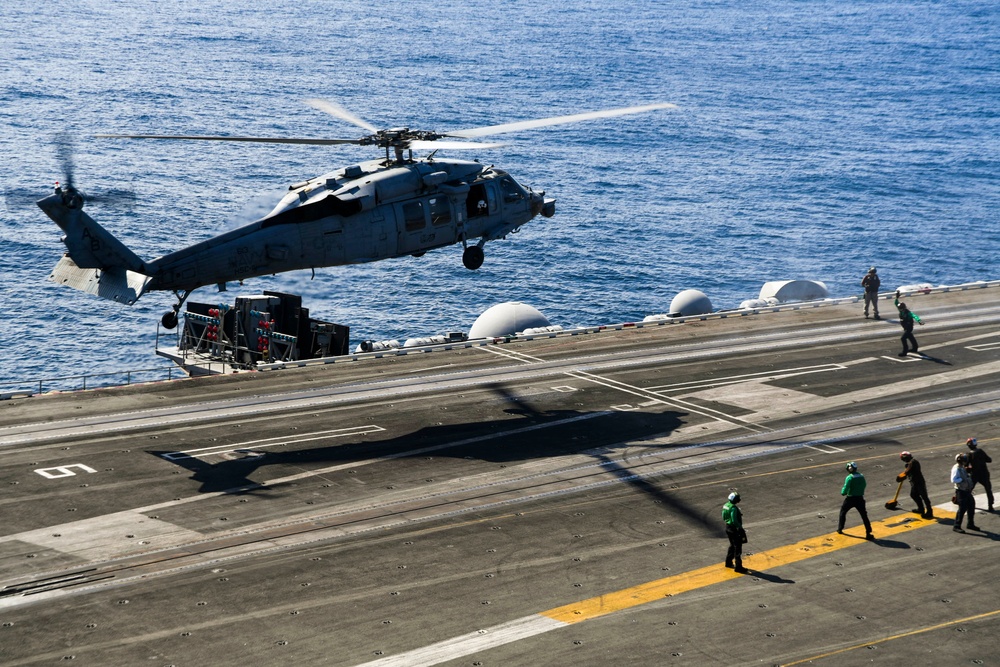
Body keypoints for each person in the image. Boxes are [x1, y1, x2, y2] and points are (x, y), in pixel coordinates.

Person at [838, 462, 875, 540]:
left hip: (850, 499)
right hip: (860, 498)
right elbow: (864, 485)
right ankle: (868, 533)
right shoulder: (861, 476)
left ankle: (840, 529)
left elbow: (846, 487)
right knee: (864, 516)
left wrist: (843, 492)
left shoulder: (849, 477)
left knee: (843, 512)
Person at [897, 451, 933, 518]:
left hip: (919, 482)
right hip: (914, 483)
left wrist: (901, 476)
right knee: (914, 495)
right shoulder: (908, 464)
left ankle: (929, 512)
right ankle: (921, 509)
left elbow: (907, 471)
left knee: (924, 497)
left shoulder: (913, 462)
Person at [951, 452, 979, 532]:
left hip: (966, 491)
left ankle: (970, 524)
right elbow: (953, 479)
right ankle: (956, 526)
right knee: (962, 509)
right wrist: (962, 480)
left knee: (971, 505)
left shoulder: (962, 467)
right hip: (961, 491)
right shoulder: (956, 468)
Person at [722, 491, 748, 573]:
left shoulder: (726, 505)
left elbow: (723, 516)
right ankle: (738, 567)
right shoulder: (733, 508)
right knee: (738, 548)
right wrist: (739, 528)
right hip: (734, 529)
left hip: (727, 527)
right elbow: (734, 520)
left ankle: (728, 562)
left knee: (732, 545)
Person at [966, 438, 993, 511]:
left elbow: (966, 465)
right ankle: (990, 505)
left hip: (974, 474)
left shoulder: (969, 454)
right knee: (988, 489)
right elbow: (989, 460)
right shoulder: (980, 451)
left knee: (968, 490)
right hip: (984, 473)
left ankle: (966, 504)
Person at [894, 292, 923, 357]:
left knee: (903, 338)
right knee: (910, 336)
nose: (899, 309)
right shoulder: (901, 311)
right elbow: (896, 303)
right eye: (899, 308)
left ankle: (905, 352)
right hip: (905, 327)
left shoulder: (908, 313)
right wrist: (896, 298)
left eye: (901, 308)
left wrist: (919, 321)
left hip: (909, 327)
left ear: (904, 308)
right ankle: (915, 348)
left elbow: (915, 316)